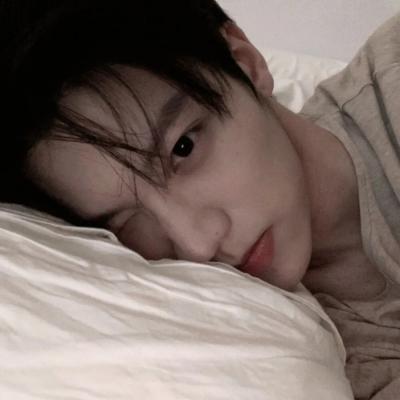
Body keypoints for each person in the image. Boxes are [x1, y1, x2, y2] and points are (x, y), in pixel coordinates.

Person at [0, 1, 399, 398]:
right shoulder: (314, 351)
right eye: (126, 221)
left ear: (245, 63)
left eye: (183, 148)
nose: (197, 245)